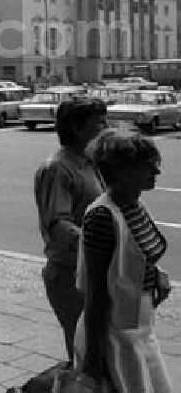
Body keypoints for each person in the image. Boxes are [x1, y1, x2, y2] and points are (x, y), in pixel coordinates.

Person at [76, 130, 172, 392]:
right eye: (148, 165)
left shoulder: (134, 205)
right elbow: (95, 291)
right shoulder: (102, 217)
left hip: (139, 327)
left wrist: (154, 274)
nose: (157, 171)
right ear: (122, 172)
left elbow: (133, 256)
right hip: (115, 333)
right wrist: (93, 359)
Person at [33, 98, 108, 363]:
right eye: (99, 123)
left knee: (102, 349)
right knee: (85, 354)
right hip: (69, 274)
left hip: (91, 269)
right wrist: (105, 243)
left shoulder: (89, 162)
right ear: (76, 128)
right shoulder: (58, 169)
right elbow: (59, 225)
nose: (105, 127)